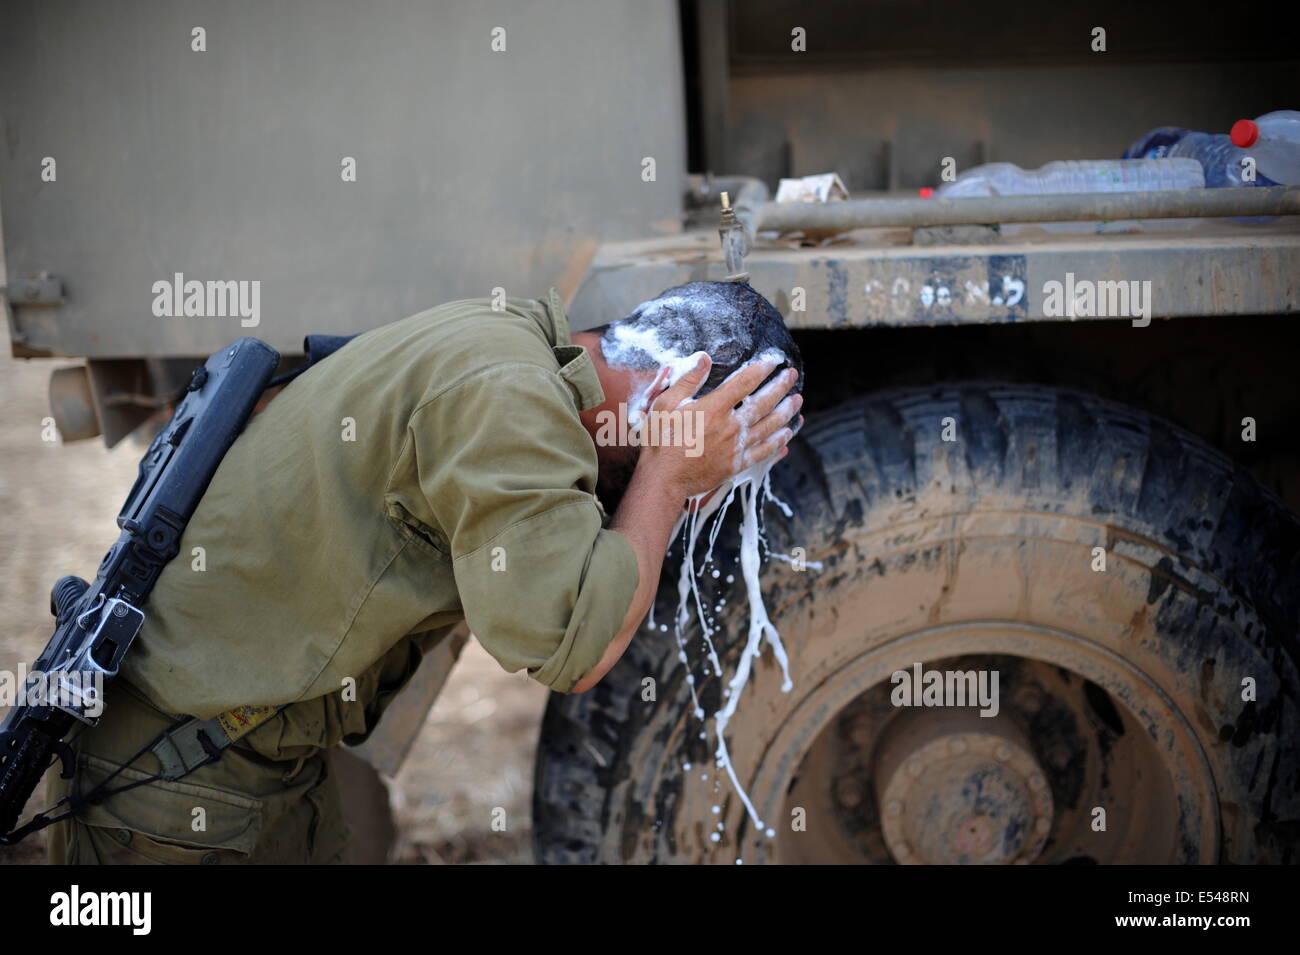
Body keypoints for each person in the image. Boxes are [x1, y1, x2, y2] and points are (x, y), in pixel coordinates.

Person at [46, 281, 804, 863]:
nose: (703, 501)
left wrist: (666, 461)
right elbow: (577, 649)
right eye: (712, 469)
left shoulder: (511, 346)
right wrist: (668, 477)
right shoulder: (507, 399)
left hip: (249, 762)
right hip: (169, 789)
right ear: (666, 393)